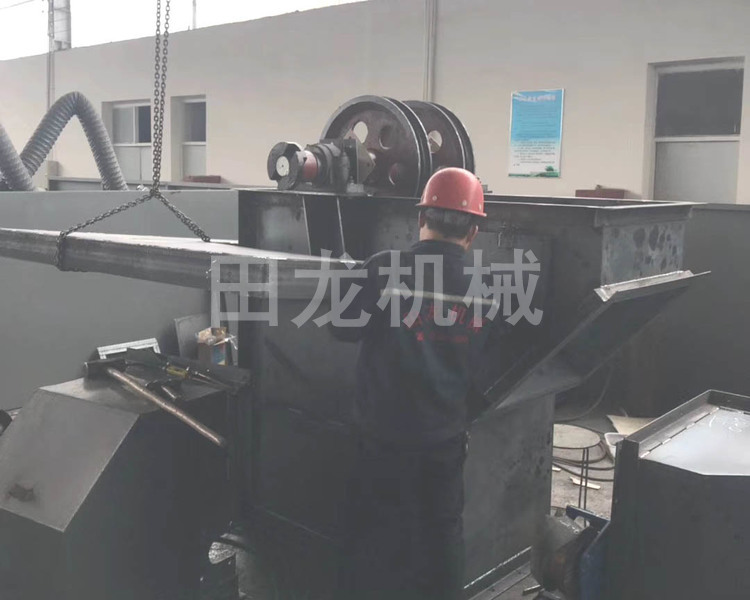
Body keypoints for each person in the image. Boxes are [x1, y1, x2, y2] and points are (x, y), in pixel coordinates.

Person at [331, 167, 502, 600]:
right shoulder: (488, 288)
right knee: (441, 536)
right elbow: (484, 367)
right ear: (474, 230)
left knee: (371, 534)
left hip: (380, 437)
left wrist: (348, 279)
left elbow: (341, 326)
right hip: (443, 440)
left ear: (421, 217)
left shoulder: (383, 269)